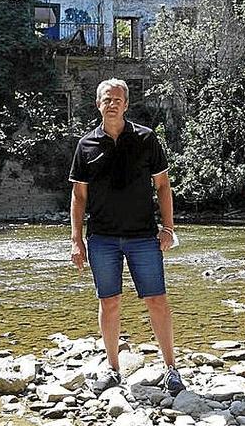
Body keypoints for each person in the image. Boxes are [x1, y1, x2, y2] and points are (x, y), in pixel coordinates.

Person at [69, 78, 184, 395]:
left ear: (126, 104)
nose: (113, 103)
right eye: (107, 98)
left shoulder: (146, 139)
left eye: (118, 98)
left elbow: (163, 186)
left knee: (157, 301)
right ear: (98, 104)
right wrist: (76, 240)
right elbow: (79, 197)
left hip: (143, 237)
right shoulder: (86, 145)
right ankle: (113, 369)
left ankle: (171, 368)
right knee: (109, 303)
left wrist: (169, 228)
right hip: (102, 238)